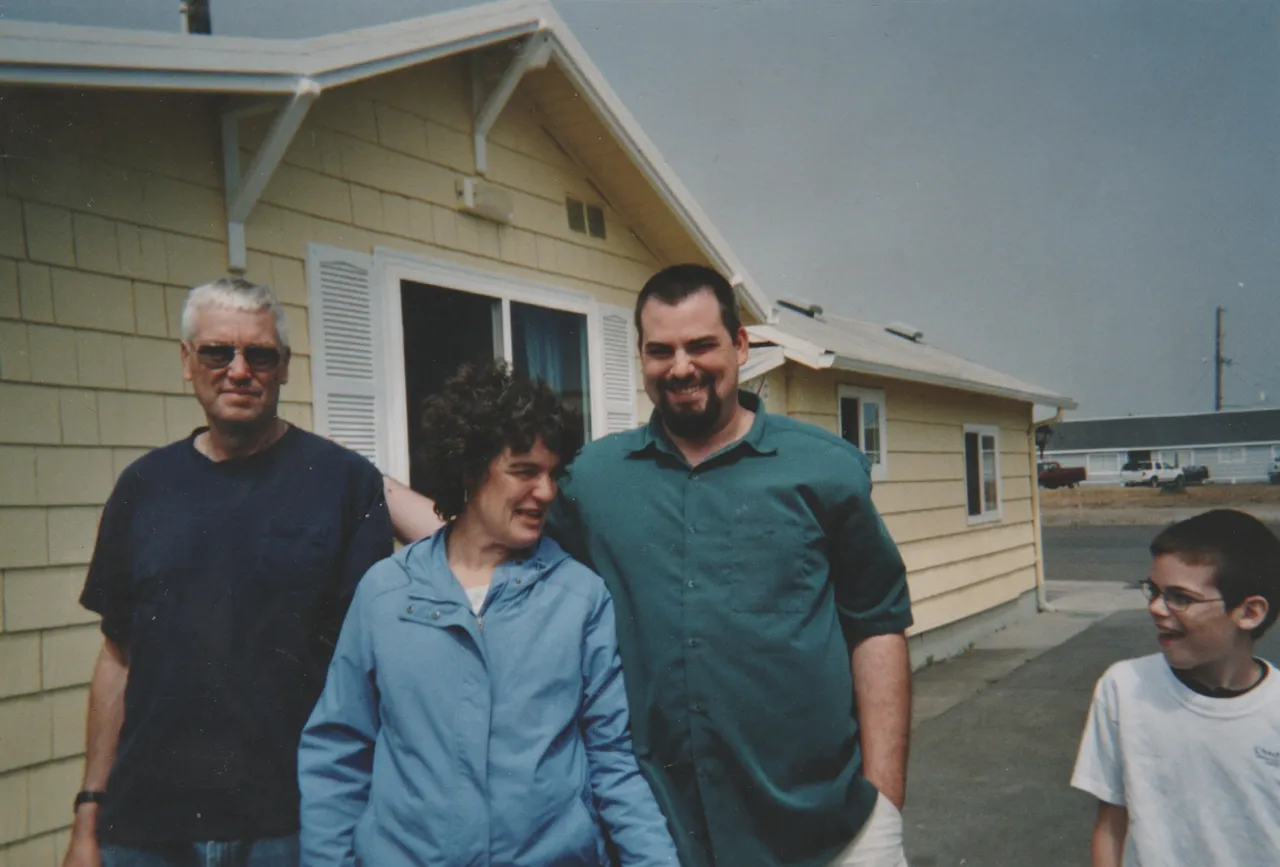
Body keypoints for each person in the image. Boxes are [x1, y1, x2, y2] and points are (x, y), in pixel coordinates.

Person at [384, 264, 914, 867]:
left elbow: (877, 626)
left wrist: (885, 805)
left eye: (701, 345)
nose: (681, 367)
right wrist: (363, 485)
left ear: (741, 346)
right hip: (663, 838)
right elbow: (480, 534)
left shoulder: (825, 469)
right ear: (641, 357)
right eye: (660, 350)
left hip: (826, 832)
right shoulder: (593, 481)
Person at [64, 278, 392, 867]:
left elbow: (370, 668)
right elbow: (116, 658)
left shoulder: (344, 484)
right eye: (218, 351)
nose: (239, 370)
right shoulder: (143, 487)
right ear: (187, 362)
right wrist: (89, 816)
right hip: (145, 828)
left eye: (259, 354)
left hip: (292, 827)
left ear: (285, 367)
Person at [298, 361, 678, 867]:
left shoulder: (580, 597)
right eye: (524, 471)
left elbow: (613, 761)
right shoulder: (386, 592)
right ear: (471, 470)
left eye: (551, 473)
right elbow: (337, 756)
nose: (546, 491)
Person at [1071, 508, 1280, 867]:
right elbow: (1111, 825)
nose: (1155, 608)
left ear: (1249, 613)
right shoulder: (1124, 688)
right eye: (1153, 591)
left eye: (1180, 597)